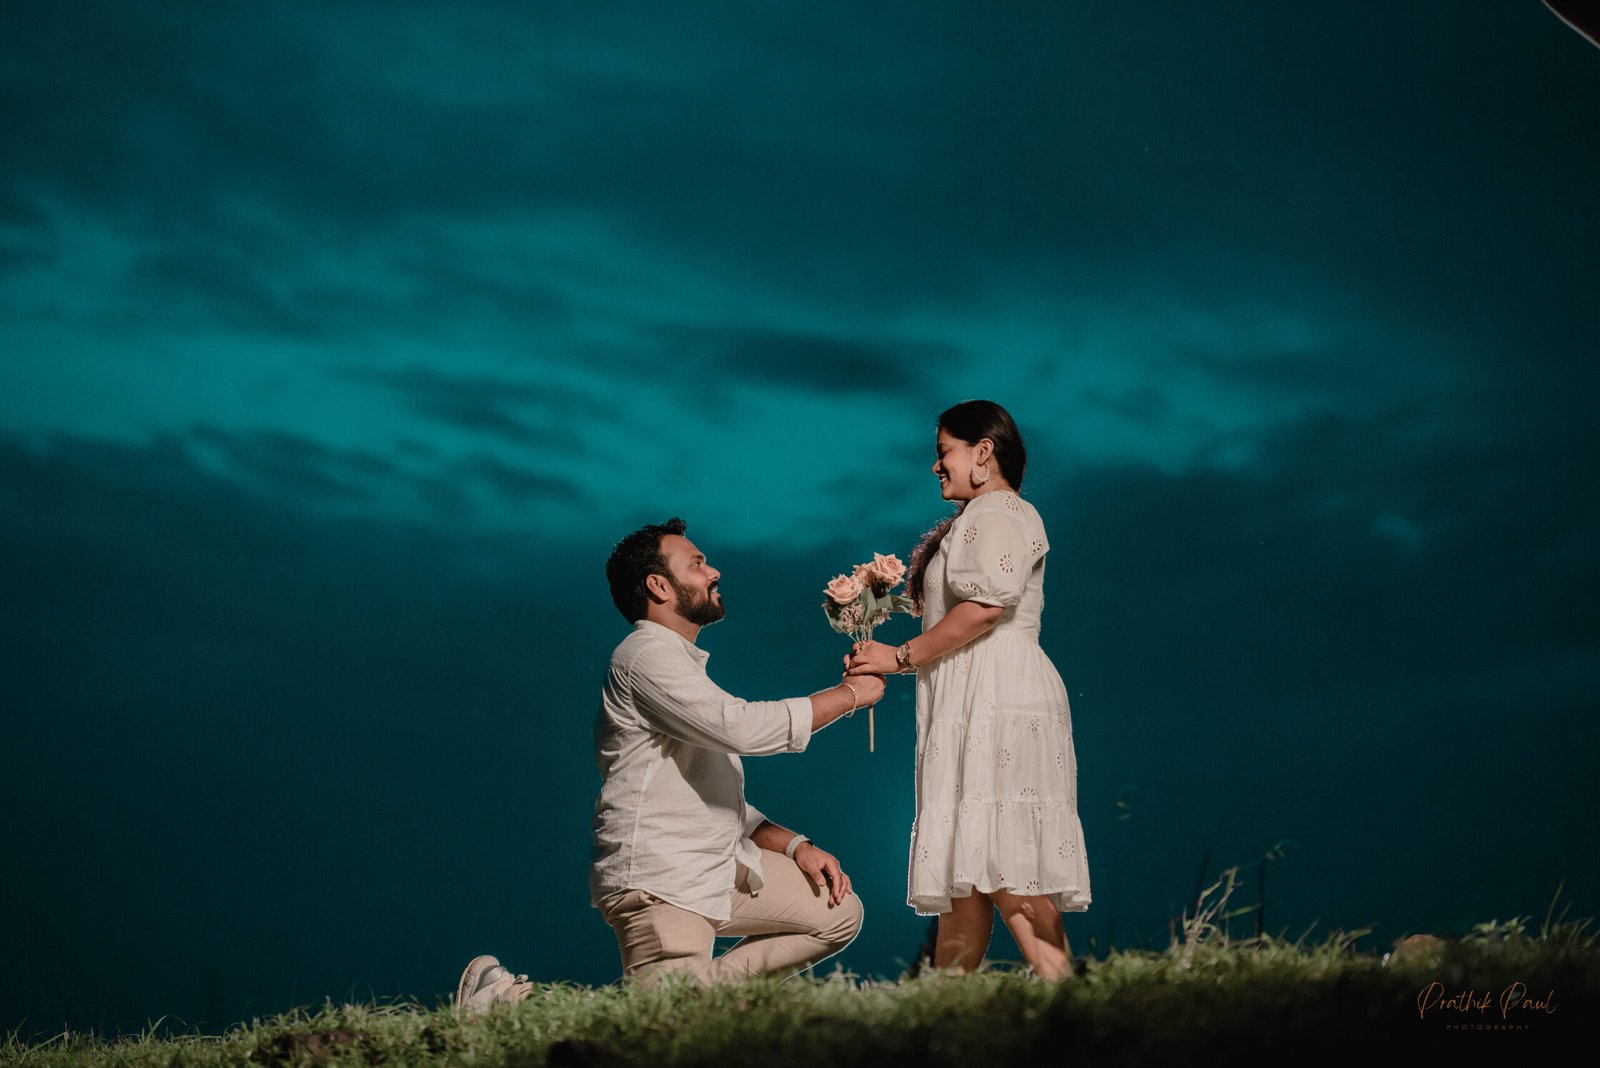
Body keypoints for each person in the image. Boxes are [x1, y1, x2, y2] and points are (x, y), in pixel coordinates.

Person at [455, 518, 881, 1014]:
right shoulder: (643, 656)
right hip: (664, 876)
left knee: (835, 912)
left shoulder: (679, 665)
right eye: (697, 564)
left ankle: (700, 1001)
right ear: (659, 586)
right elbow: (742, 728)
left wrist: (795, 846)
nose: (713, 571)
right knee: (661, 1025)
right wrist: (849, 695)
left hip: (715, 866)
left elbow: (712, 797)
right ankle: (505, 1008)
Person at [848, 400, 1089, 978]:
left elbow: (984, 608)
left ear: (983, 452)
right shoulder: (976, 518)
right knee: (967, 879)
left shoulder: (999, 511)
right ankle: (942, 1012)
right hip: (972, 696)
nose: (936, 466)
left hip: (997, 697)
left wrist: (898, 656)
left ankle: (1072, 999)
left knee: (1009, 865)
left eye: (944, 452)